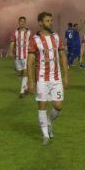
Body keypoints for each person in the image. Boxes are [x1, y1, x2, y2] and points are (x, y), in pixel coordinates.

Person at [27, 12, 69, 145]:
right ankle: (45, 135)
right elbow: (30, 62)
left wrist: (66, 75)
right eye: (47, 21)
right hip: (42, 80)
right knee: (42, 107)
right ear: (40, 23)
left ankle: (49, 121)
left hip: (56, 78)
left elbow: (62, 56)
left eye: (51, 20)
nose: (50, 22)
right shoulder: (34, 40)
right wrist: (30, 81)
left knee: (58, 106)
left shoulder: (56, 38)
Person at [8, 16, 31, 97]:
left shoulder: (29, 32)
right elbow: (12, 42)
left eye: (23, 21)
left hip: (26, 56)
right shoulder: (15, 32)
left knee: (25, 73)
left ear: (25, 23)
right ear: (18, 22)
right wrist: (10, 51)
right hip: (17, 56)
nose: (22, 23)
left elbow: (32, 44)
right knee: (20, 73)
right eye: (20, 21)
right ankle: (26, 87)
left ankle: (22, 91)